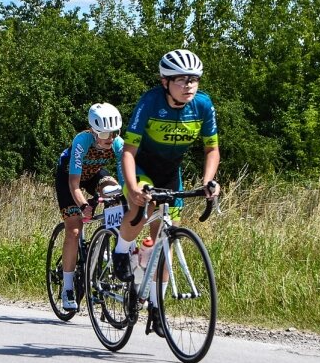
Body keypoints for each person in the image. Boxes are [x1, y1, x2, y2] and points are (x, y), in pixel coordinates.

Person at [114, 49, 221, 337]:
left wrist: (209, 181)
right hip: (140, 166)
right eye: (181, 79)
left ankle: (156, 306)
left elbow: (211, 149)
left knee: (164, 241)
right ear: (165, 82)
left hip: (171, 173)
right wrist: (134, 188)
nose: (189, 85)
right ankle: (121, 252)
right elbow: (128, 150)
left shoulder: (202, 105)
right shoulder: (150, 101)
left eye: (193, 79)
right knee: (142, 209)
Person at [54, 102, 125, 310]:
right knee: (75, 229)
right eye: (104, 135)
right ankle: (67, 288)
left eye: (114, 133)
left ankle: (106, 239)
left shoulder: (118, 144)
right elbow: (74, 184)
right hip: (69, 178)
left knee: (114, 191)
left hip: (94, 176)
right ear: (94, 132)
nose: (109, 139)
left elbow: (123, 181)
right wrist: (84, 205)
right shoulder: (82, 141)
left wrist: (124, 198)